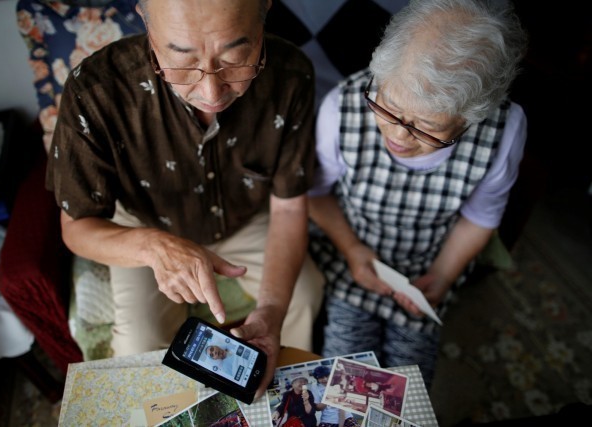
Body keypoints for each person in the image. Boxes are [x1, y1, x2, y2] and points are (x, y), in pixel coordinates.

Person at [45, 0, 324, 397]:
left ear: (265, 10)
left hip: (246, 218)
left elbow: (291, 205)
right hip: (140, 225)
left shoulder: (292, 74)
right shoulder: (95, 89)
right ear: (145, 19)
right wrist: (154, 247)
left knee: (305, 294)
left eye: (234, 56)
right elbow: (76, 228)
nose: (211, 91)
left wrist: (272, 314)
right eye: (182, 58)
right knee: (137, 348)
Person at [308, 0, 528, 388]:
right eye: (389, 109)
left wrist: (443, 274)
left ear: (470, 118)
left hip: (429, 263)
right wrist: (352, 250)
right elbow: (316, 194)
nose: (397, 135)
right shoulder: (342, 106)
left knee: (409, 382)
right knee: (345, 378)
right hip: (353, 255)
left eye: (426, 129)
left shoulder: (503, 129)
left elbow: (481, 215)